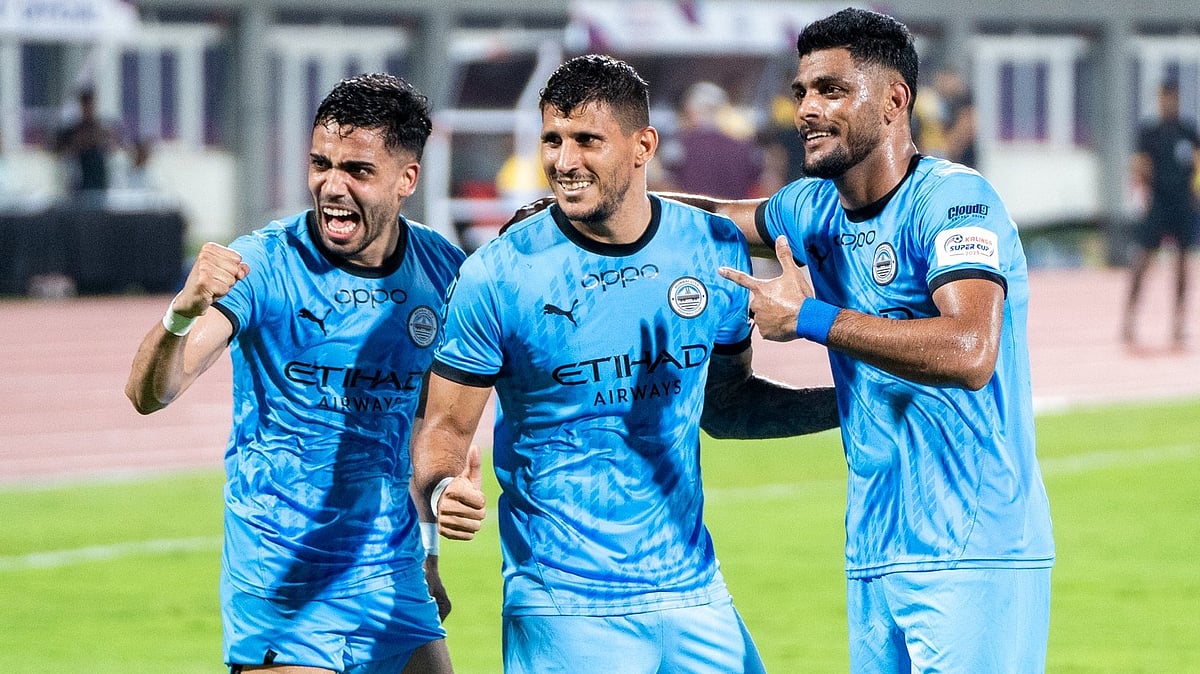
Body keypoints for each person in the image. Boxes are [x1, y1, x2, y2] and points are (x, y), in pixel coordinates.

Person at [410, 54, 839, 673]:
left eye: (587, 140)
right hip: (564, 605)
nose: (563, 161)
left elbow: (728, 406)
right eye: (552, 140)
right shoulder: (499, 274)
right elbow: (444, 430)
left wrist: (851, 400)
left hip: (695, 593)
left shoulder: (708, 249)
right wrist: (446, 487)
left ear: (643, 147)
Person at [672, 8, 1055, 672]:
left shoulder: (955, 201)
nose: (807, 109)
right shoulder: (811, 208)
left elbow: (970, 351)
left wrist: (811, 319)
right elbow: (717, 220)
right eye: (801, 92)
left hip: (974, 549)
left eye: (831, 90)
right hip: (873, 550)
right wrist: (606, 207)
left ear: (894, 100)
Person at [125, 73, 464, 674]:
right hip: (284, 578)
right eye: (320, 164)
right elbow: (152, 392)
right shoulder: (264, 264)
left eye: (357, 170)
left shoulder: (442, 273)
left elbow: (436, 425)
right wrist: (181, 313)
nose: (331, 185)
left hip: (391, 577)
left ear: (406, 179)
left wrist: (431, 547)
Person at [1122, 77, 1200, 349]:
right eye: (1163, 97)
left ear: (1177, 99)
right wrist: (1138, 192)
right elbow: (1139, 165)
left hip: (1182, 205)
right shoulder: (1150, 132)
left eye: (1171, 97)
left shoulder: (1187, 131)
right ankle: (1129, 318)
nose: (1167, 102)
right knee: (1142, 262)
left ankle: (1179, 322)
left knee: (1181, 266)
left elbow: (1198, 164)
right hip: (1158, 204)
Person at [660, 80, 764, 199]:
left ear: (692, 111)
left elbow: (666, 184)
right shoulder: (745, 146)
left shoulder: (679, 144)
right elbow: (758, 180)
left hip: (693, 214)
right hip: (732, 214)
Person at [52, 87, 122, 197]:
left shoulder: (102, 130)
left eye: (91, 104)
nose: (89, 109)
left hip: (100, 186)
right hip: (79, 187)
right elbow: (60, 153)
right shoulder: (72, 132)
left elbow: (115, 150)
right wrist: (80, 144)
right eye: (85, 104)